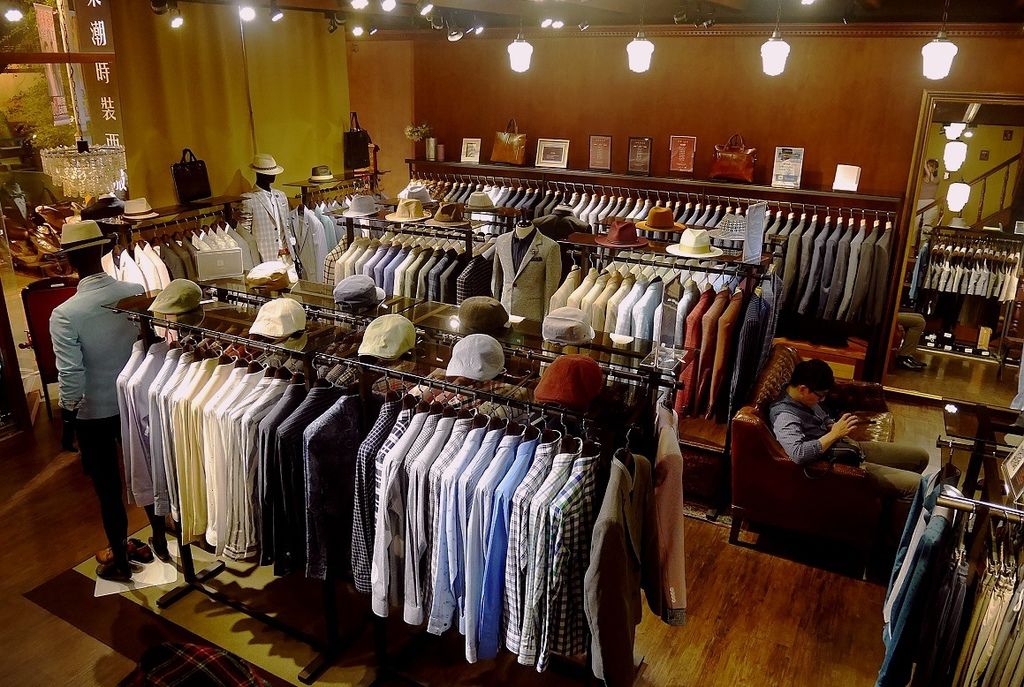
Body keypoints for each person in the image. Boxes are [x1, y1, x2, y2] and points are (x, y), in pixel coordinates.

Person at [49, 220, 165, 581]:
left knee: (107, 488)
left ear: (69, 262)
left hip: (95, 410)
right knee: (146, 469)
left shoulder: (66, 314)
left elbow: (71, 374)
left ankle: (121, 559)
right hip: (133, 401)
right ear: (102, 252)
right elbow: (146, 344)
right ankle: (160, 539)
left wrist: (68, 418)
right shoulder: (133, 290)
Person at [768, 359, 929, 506]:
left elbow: (822, 416)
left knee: (921, 457)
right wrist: (834, 434)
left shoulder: (802, 396)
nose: (822, 400)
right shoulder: (785, 415)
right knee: (918, 486)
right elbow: (798, 454)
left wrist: (833, 425)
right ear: (803, 389)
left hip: (849, 447)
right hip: (839, 462)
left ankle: (890, 498)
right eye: (821, 396)